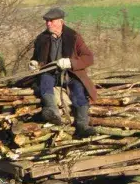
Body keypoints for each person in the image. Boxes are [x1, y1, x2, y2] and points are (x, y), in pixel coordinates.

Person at [29, 7, 97, 137]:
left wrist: (71, 63)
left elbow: (89, 58)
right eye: (47, 21)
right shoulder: (41, 39)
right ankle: (52, 112)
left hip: (70, 74)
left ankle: (83, 125)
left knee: (78, 90)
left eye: (51, 21)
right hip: (49, 73)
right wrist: (34, 64)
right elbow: (36, 59)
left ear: (61, 21)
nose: (48, 23)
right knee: (45, 80)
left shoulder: (74, 37)